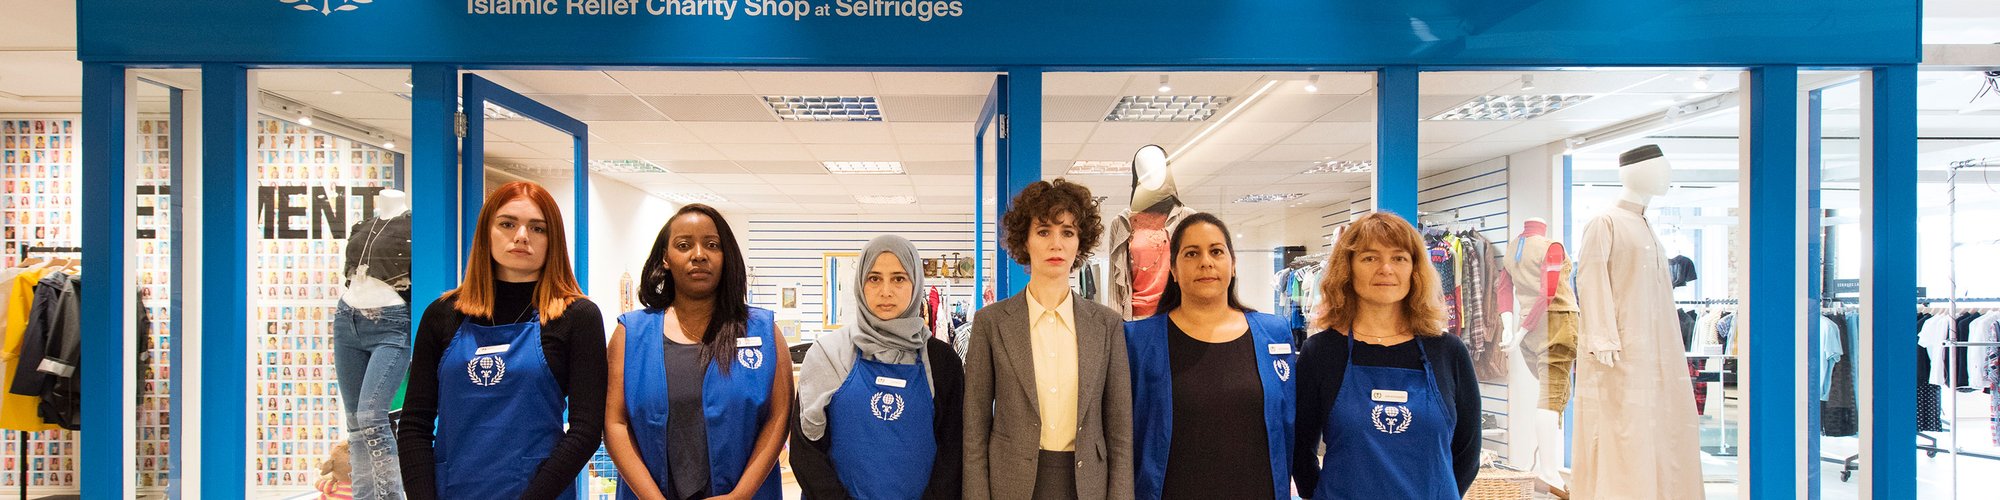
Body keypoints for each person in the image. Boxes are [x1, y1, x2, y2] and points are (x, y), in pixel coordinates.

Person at [396, 181, 606, 500]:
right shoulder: (441, 315)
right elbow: (414, 424)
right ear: (486, 232)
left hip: (538, 492)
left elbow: (586, 430)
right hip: (452, 489)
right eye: (507, 224)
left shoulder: (577, 316)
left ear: (554, 240)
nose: (521, 236)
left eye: (538, 228)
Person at [605, 204, 793, 500]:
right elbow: (615, 423)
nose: (699, 254)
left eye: (712, 245)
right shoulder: (630, 334)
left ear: (725, 255)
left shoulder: (763, 331)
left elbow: (778, 417)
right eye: (683, 245)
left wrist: (739, 495)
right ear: (665, 258)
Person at [1291, 211, 1481, 499]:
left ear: (1414, 269)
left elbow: (1467, 451)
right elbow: (1300, 448)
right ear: (1348, 268)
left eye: (1399, 258)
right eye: (1370, 258)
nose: (1386, 268)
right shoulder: (1321, 352)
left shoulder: (1448, 351)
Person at [963, 178, 1132, 500]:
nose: (1056, 244)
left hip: (1087, 483)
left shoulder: (1107, 325)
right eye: (1044, 232)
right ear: (1025, 241)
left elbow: (1120, 432)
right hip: (1012, 482)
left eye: (1067, 232)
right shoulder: (991, 323)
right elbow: (974, 429)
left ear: (1080, 242)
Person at [1124, 213, 1295, 500]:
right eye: (1192, 253)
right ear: (1174, 270)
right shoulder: (1138, 341)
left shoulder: (1274, 333)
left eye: (1216, 251)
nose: (1206, 261)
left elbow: (1289, 428)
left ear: (1233, 264)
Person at [789, 235, 965, 499]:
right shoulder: (828, 354)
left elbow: (952, 451)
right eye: (874, 278)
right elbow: (806, 453)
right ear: (860, 284)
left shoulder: (942, 361)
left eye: (898, 278)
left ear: (915, 283)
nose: (886, 291)